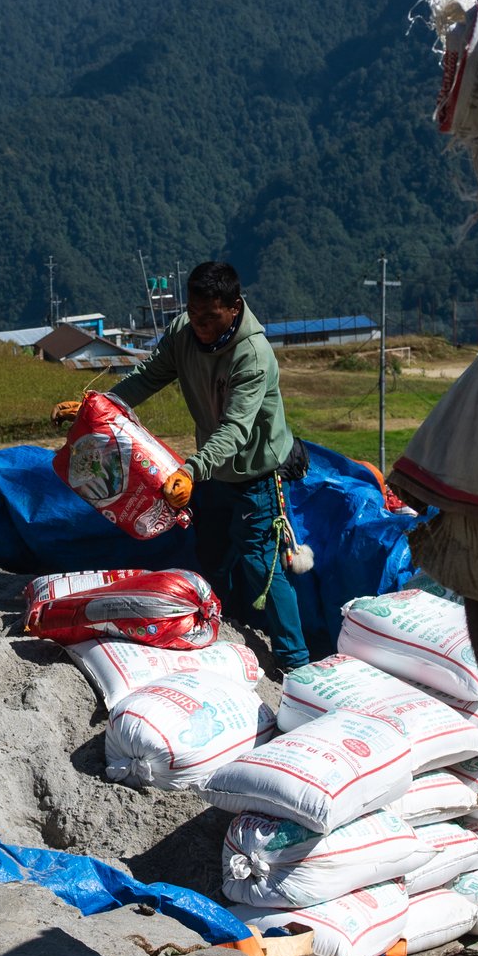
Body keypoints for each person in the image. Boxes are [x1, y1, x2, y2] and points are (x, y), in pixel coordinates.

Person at [51, 261, 310, 670]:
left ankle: (294, 661)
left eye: (210, 317)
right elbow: (147, 377)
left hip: (254, 474)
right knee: (212, 555)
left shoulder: (252, 356)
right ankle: (226, 627)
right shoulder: (183, 334)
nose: (200, 326)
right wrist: (96, 408)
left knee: (261, 562)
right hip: (211, 471)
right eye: (193, 313)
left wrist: (190, 470)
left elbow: (235, 429)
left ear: (234, 308)